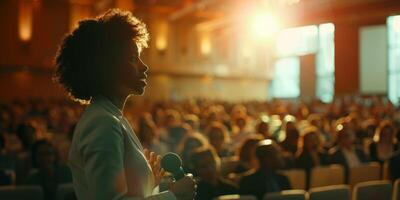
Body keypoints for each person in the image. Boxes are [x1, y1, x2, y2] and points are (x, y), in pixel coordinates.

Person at [55, 9, 195, 200]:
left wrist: (148, 184)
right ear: (107, 66)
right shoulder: (102, 122)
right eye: (132, 58)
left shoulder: (110, 115)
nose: (144, 66)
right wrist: (174, 196)